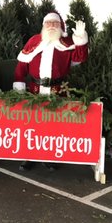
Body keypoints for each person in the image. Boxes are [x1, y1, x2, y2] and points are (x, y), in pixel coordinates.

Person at [13, 11, 88, 171]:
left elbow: (80, 58)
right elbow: (21, 67)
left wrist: (81, 40)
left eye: (55, 23)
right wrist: (18, 87)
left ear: (61, 26)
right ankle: (29, 156)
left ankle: (50, 156)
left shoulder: (67, 42)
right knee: (32, 123)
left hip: (57, 90)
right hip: (34, 91)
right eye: (48, 23)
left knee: (54, 124)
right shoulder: (33, 41)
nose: (52, 26)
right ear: (43, 25)